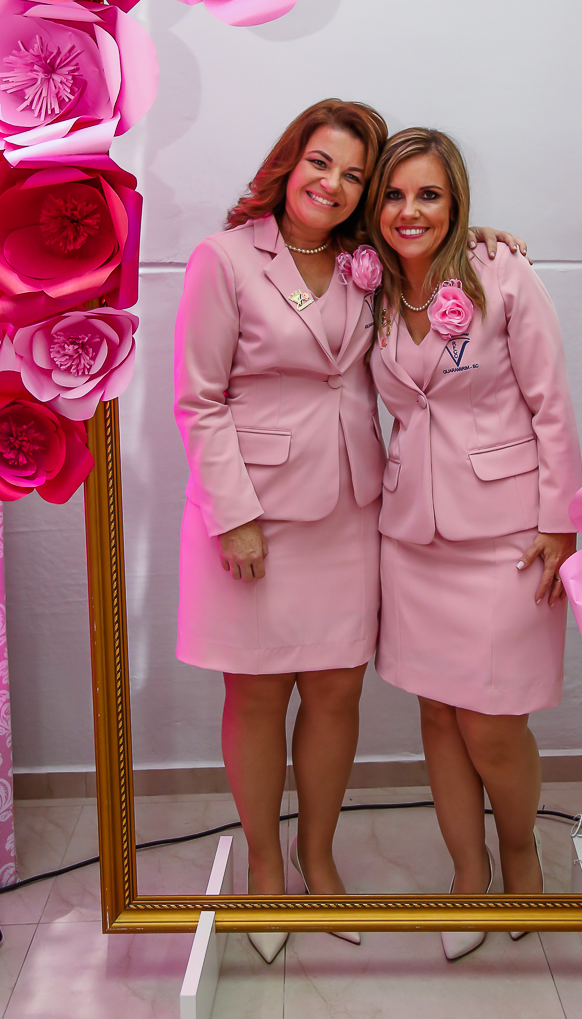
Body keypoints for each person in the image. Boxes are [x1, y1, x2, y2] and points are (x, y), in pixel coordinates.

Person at [173, 100, 523, 962]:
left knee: (336, 694)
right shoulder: (225, 259)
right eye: (321, 163)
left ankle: (318, 859)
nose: (333, 185)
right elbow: (198, 400)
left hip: (350, 511)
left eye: (355, 176)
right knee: (257, 696)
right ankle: (265, 870)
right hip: (251, 516)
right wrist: (235, 517)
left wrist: (480, 240)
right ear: (289, 163)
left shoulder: (368, 262)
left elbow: (434, 260)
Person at [366, 128, 582, 961]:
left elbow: (553, 405)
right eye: (394, 194)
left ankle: (520, 855)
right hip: (411, 535)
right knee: (436, 715)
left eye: (428, 194)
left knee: (492, 726)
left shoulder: (504, 275)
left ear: (456, 201)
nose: (409, 211)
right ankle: (468, 873)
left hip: (508, 535)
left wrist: (559, 524)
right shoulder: (370, 285)